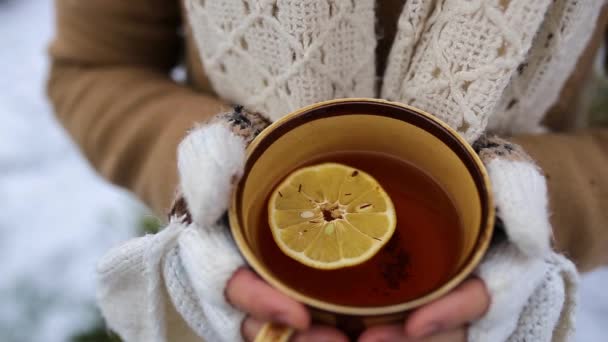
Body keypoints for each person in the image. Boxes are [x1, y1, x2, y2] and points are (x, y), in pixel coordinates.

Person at [48, 1, 607, 341]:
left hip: (476, 302)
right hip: (246, 264)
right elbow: (93, 66)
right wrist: (202, 165)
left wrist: (555, 204)